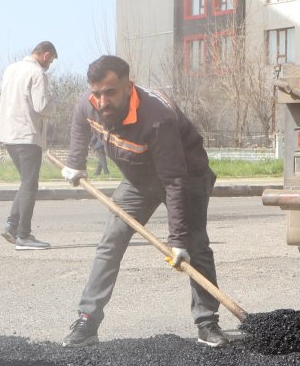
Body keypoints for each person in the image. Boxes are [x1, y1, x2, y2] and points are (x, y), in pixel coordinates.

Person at [59, 55, 226, 348]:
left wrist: (178, 240)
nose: (102, 101)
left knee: (195, 246)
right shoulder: (89, 104)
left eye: (109, 92)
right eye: (96, 92)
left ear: (128, 86)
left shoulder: (156, 118)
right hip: (138, 180)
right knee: (111, 241)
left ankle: (207, 322)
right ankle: (88, 320)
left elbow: (174, 181)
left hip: (186, 178)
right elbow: (80, 121)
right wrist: (76, 162)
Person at [0, 41, 56, 251]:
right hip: (27, 135)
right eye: (51, 61)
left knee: (25, 183)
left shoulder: (10, 69)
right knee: (30, 185)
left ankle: (12, 226)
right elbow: (41, 106)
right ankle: (24, 235)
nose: (49, 65)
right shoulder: (37, 72)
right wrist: (53, 104)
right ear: (46, 55)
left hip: (8, 134)